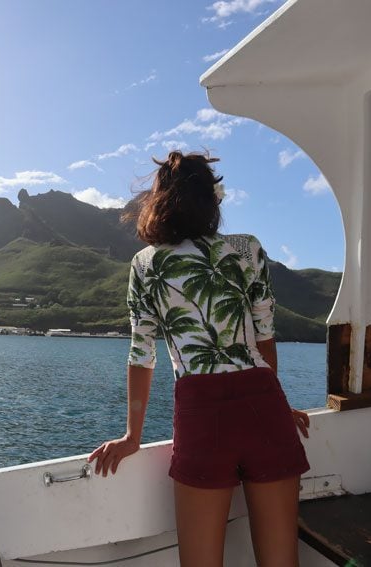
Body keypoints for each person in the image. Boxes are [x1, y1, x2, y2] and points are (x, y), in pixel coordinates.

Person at [88, 150, 311, 567]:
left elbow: (142, 353)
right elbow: (264, 337)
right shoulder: (248, 249)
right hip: (264, 405)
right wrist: (279, 401)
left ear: (159, 201)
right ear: (213, 201)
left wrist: (133, 436)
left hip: (202, 412)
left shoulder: (146, 263)